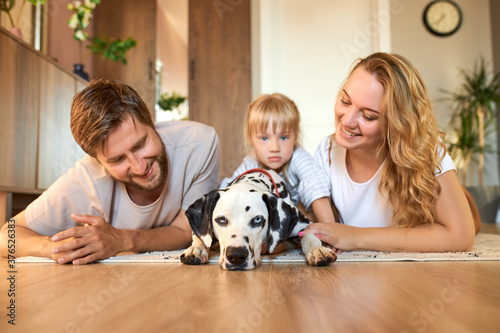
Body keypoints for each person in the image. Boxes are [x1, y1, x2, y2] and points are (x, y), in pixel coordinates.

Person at [0, 79, 220, 265]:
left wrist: (122, 240)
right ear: (98, 160)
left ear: (152, 120)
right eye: (117, 159)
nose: (139, 167)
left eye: (140, 144)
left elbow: (185, 232)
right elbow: (6, 236)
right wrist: (56, 247)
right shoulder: (85, 180)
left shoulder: (200, 144)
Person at [301, 52, 478, 253]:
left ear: (396, 123)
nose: (347, 121)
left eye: (368, 116)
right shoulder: (327, 152)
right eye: (345, 101)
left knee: (466, 210)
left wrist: (357, 236)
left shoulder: (426, 151)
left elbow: (461, 237)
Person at [220, 93, 335, 224]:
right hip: (270, 224)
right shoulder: (251, 163)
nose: (274, 148)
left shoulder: (298, 156)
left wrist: (332, 230)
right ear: (250, 138)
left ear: (295, 136)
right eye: (264, 138)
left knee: (309, 208)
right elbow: (228, 193)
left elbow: (317, 189)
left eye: (284, 137)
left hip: (300, 221)